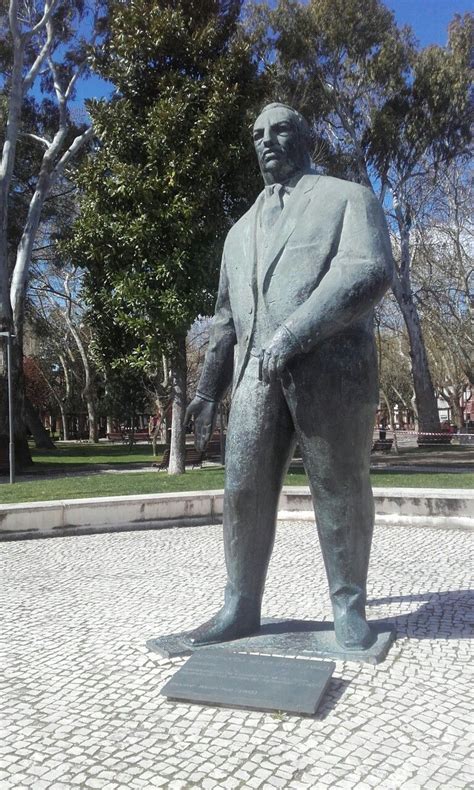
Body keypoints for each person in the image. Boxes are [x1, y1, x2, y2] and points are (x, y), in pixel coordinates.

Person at [185, 103, 393, 650]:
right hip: (255, 377)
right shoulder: (237, 233)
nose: (267, 141)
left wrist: (296, 333)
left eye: (279, 130)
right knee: (243, 490)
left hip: (330, 373)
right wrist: (208, 390)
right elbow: (227, 321)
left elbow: (367, 271)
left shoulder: (346, 198)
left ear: (303, 137)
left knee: (340, 487)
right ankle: (240, 604)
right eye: (257, 134)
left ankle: (348, 605)